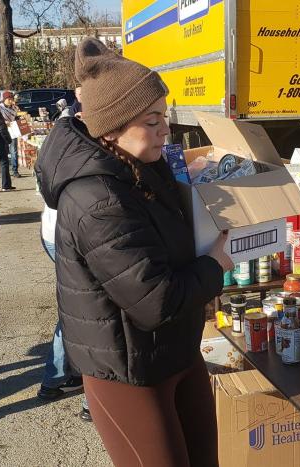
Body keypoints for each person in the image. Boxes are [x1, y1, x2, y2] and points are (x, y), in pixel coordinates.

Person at [36, 38, 234, 467]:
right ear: (113, 126)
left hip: (177, 352)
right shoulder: (96, 196)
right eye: (152, 120)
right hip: (129, 371)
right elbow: (154, 301)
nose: (166, 128)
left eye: (165, 116)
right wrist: (215, 265)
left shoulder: (142, 170)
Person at [38, 205, 91, 421]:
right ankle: (93, 399)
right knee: (91, 311)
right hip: (80, 232)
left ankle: (56, 378)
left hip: (58, 230)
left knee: (79, 307)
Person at [0, 91, 21, 178]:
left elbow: (17, 117)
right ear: (4, 99)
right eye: (9, 99)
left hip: (13, 131)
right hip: (3, 131)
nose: (11, 101)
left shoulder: (15, 107)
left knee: (14, 150)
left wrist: (18, 116)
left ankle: (15, 170)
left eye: (11, 99)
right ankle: (5, 170)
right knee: (3, 151)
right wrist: (4, 123)